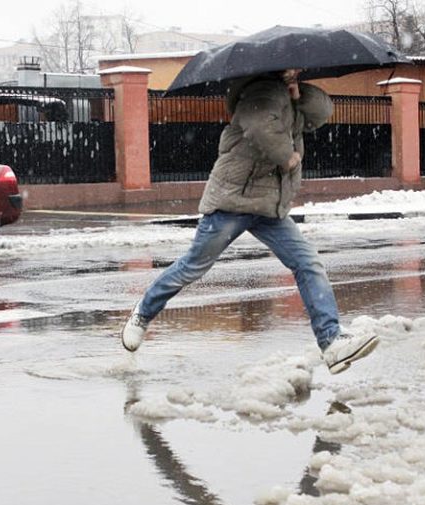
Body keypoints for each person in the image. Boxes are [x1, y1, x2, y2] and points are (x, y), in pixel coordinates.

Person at [121, 69, 378, 374]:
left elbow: (320, 116)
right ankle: (143, 313)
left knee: (308, 263)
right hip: (234, 200)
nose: (294, 73)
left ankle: (332, 342)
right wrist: (286, 157)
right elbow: (259, 128)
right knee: (194, 266)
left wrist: (299, 94)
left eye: (297, 70)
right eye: (289, 70)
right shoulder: (261, 91)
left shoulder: (286, 94)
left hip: (269, 205)